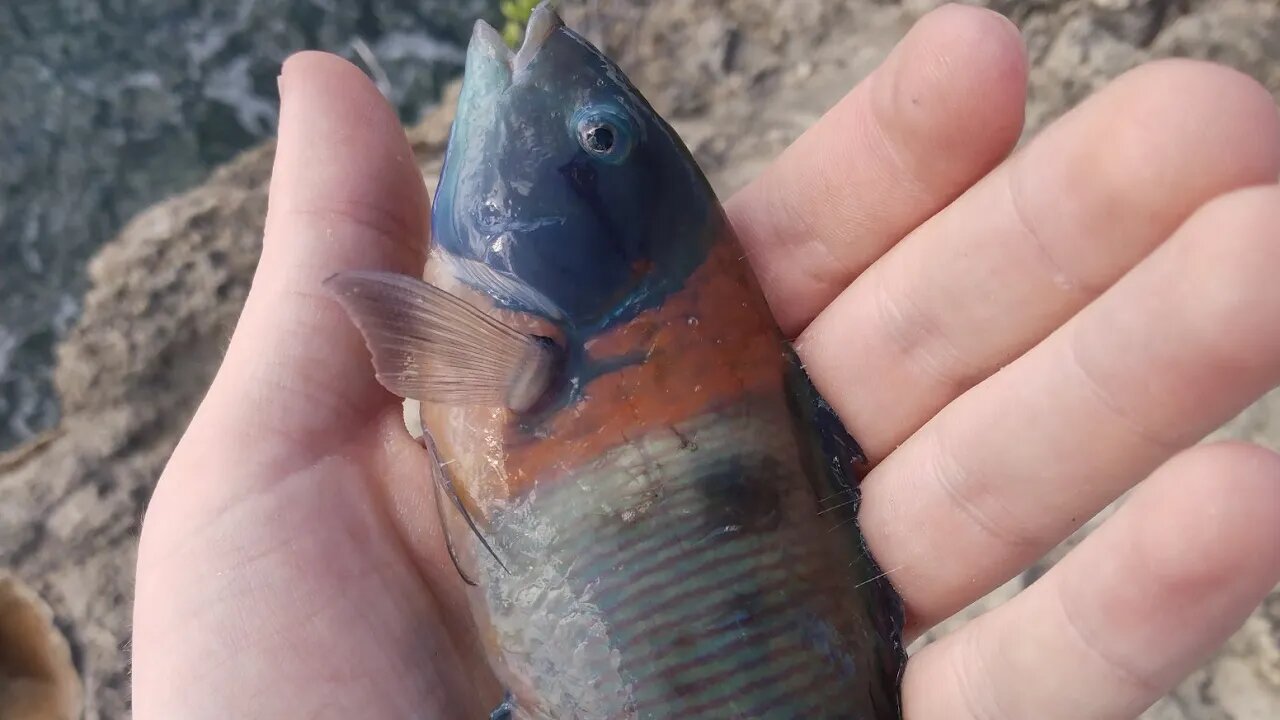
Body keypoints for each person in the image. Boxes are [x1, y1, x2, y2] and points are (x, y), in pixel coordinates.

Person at [129, 5, 1280, 718]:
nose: (558, 81)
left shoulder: (510, 341)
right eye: (603, 136)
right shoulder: (523, 335)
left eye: (598, 139)